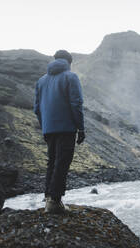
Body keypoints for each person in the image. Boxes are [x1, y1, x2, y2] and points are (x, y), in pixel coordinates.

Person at [34, 50, 85, 214]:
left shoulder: (41, 81)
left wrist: (45, 127)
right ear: (69, 62)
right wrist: (81, 128)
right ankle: (55, 201)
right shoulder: (71, 77)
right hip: (66, 128)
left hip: (49, 129)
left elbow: (36, 109)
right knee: (62, 163)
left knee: (52, 162)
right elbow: (76, 103)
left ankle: (49, 198)